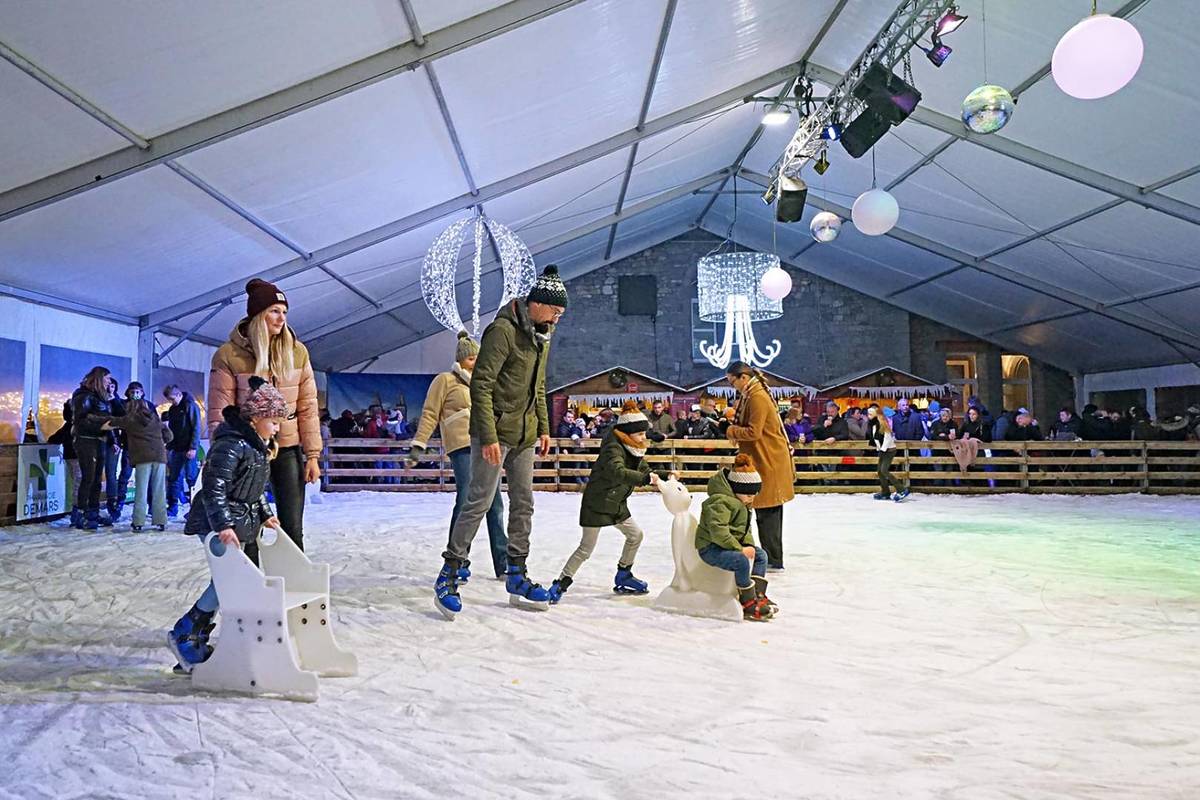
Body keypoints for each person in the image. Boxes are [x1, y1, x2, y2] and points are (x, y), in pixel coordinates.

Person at [434, 265, 567, 619]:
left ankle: (516, 573)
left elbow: (538, 386)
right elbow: (482, 384)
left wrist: (543, 426)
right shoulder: (502, 331)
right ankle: (449, 572)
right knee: (478, 500)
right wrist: (488, 435)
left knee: (524, 503)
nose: (557, 317)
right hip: (494, 433)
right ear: (537, 304)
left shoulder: (543, 335)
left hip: (524, 435)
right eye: (555, 310)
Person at [166, 377, 285, 672]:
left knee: (228, 580)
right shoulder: (232, 444)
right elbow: (213, 487)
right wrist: (223, 524)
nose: (277, 427)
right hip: (214, 520)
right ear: (256, 418)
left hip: (234, 521)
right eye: (273, 421)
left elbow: (254, 491)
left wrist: (266, 513)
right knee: (227, 580)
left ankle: (193, 639)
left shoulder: (257, 447)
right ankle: (185, 634)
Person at [208, 278, 321, 550]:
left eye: (284, 311)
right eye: (274, 310)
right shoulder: (228, 355)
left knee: (292, 526)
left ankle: (295, 584)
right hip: (247, 451)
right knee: (248, 524)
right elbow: (220, 411)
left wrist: (313, 455)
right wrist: (224, 453)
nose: (281, 317)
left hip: (289, 447)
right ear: (258, 315)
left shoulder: (297, 352)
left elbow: (308, 406)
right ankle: (253, 585)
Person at [548, 401, 673, 604]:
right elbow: (618, 472)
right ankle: (560, 582)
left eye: (644, 434)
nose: (644, 438)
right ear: (628, 433)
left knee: (635, 535)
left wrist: (665, 475)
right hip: (597, 504)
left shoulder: (633, 448)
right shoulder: (612, 449)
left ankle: (624, 574)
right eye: (640, 434)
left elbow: (644, 470)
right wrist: (645, 479)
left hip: (616, 503)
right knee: (586, 548)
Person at [410, 331, 508, 580]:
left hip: (486, 444)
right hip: (462, 444)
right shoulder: (445, 380)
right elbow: (431, 412)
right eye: (471, 358)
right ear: (461, 359)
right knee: (467, 499)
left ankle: (504, 563)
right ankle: (458, 560)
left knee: (494, 504)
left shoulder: (486, 382)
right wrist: (419, 443)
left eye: (478, 357)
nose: (475, 361)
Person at [724, 361, 795, 572]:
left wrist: (731, 431)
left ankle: (774, 559)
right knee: (765, 511)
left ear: (742, 377)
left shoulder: (757, 397)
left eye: (732, 382)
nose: (732, 386)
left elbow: (754, 432)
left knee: (769, 511)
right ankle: (771, 557)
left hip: (768, 460)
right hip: (764, 458)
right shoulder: (752, 394)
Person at [694, 453, 775, 621]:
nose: (751, 498)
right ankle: (748, 602)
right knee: (741, 561)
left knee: (761, 556)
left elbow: (746, 530)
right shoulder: (719, 502)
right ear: (736, 489)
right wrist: (740, 549)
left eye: (754, 494)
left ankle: (758, 594)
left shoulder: (742, 502)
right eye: (748, 494)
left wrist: (749, 546)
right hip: (711, 547)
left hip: (728, 544)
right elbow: (719, 532)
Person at [110, 387, 173, 531]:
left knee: (141, 490)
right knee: (159, 490)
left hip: (142, 457)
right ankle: (161, 520)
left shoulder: (130, 420)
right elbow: (169, 437)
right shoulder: (155, 419)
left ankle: (138, 522)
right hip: (159, 456)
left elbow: (112, 422)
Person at [70, 367, 118, 530]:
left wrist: (112, 440)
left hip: (100, 441)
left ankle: (93, 511)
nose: (110, 382)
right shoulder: (83, 396)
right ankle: (81, 513)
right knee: (88, 477)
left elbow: (110, 419)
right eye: (107, 379)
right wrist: (100, 425)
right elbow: (80, 421)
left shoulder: (103, 398)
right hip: (86, 440)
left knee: (97, 479)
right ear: (99, 378)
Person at [163, 384, 202, 518]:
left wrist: (193, 447)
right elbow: (172, 431)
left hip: (188, 448)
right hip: (177, 448)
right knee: (174, 478)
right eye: (169, 399)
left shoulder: (190, 406)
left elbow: (196, 427)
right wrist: (169, 446)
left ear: (179, 395)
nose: (171, 402)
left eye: (173, 399)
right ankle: (172, 506)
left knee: (192, 479)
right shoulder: (173, 410)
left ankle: (195, 509)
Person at [47, 400, 81, 527]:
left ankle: (78, 513)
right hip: (76, 457)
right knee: (79, 483)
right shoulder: (71, 427)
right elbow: (54, 439)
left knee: (79, 483)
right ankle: (77, 513)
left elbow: (53, 439)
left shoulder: (69, 426)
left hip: (73, 456)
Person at [868, 404, 907, 500]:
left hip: (889, 450)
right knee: (880, 472)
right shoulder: (874, 425)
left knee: (884, 470)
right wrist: (879, 448)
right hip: (883, 450)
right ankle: (885, 492)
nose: (868, 416)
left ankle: (901, 489)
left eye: (870, 414)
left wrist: (883, 449)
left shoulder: (883, 424)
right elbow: (876, 438)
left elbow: (887, 438)